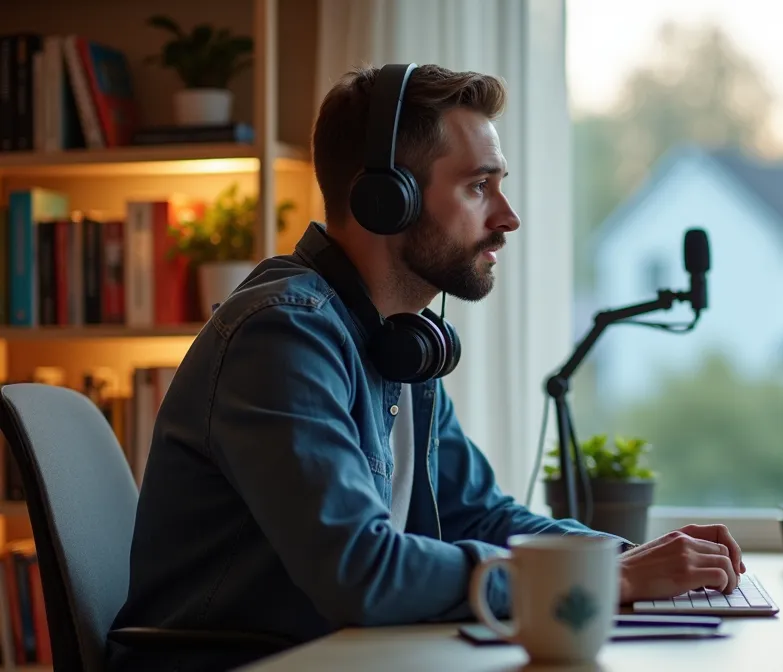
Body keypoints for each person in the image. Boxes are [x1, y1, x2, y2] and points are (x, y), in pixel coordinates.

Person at [105, 63, 746, 672]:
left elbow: (480, 514)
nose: (507, 218)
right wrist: (615, 579)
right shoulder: (282, 335)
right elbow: (362, 570)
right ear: (389, 201)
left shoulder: (400, 344)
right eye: (478, 187)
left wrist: (619, 556)